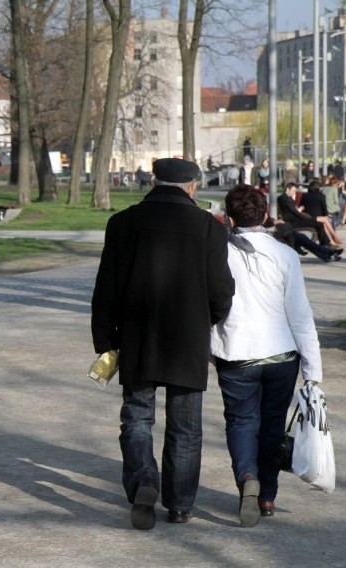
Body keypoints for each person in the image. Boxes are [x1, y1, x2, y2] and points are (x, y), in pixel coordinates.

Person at [91, 157, 235, 530]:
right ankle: (181, 504)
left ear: (154, 182)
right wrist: (209, 319)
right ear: (192, 186)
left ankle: (144, 481)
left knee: (137, 418)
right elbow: (221, 291)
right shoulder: (209, 227)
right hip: (187, 339)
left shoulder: (122, 223)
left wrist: (105, 340)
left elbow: (106, 288)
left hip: (137, 335)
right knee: (186, 428)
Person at [212, 186, 323, 526]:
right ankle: (267, 497)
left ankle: (247, 477)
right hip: (281, 354)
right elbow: (300, 314)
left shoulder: (218, 253)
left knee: (242, 421)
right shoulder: (284, 254)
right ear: (264, 215)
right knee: (272, 425)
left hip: (237, 353)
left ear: (230, 217)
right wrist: (312, 369)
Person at [277, 182, 332, 248]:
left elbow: (294, 210)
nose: (294, 192)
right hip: (293, 221)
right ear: (287, 189)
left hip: (295, 219)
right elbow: (295, 212)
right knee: (319, 224)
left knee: (319, 224)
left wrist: (300, 210)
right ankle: (325, 243)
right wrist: (307, 218)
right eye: (293, 190)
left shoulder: (286, 198)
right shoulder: (285, 198)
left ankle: (325, 243)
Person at [300, 179, 344, 246]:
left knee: (324, 223)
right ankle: (335, 236)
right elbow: (325, 210)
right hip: (315, 218)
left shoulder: (304, 196)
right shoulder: (321, 196)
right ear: (318, 188)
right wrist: (326, 216)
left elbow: (301, 206)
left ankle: (332, 241)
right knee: (326, 220)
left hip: (307, 217)